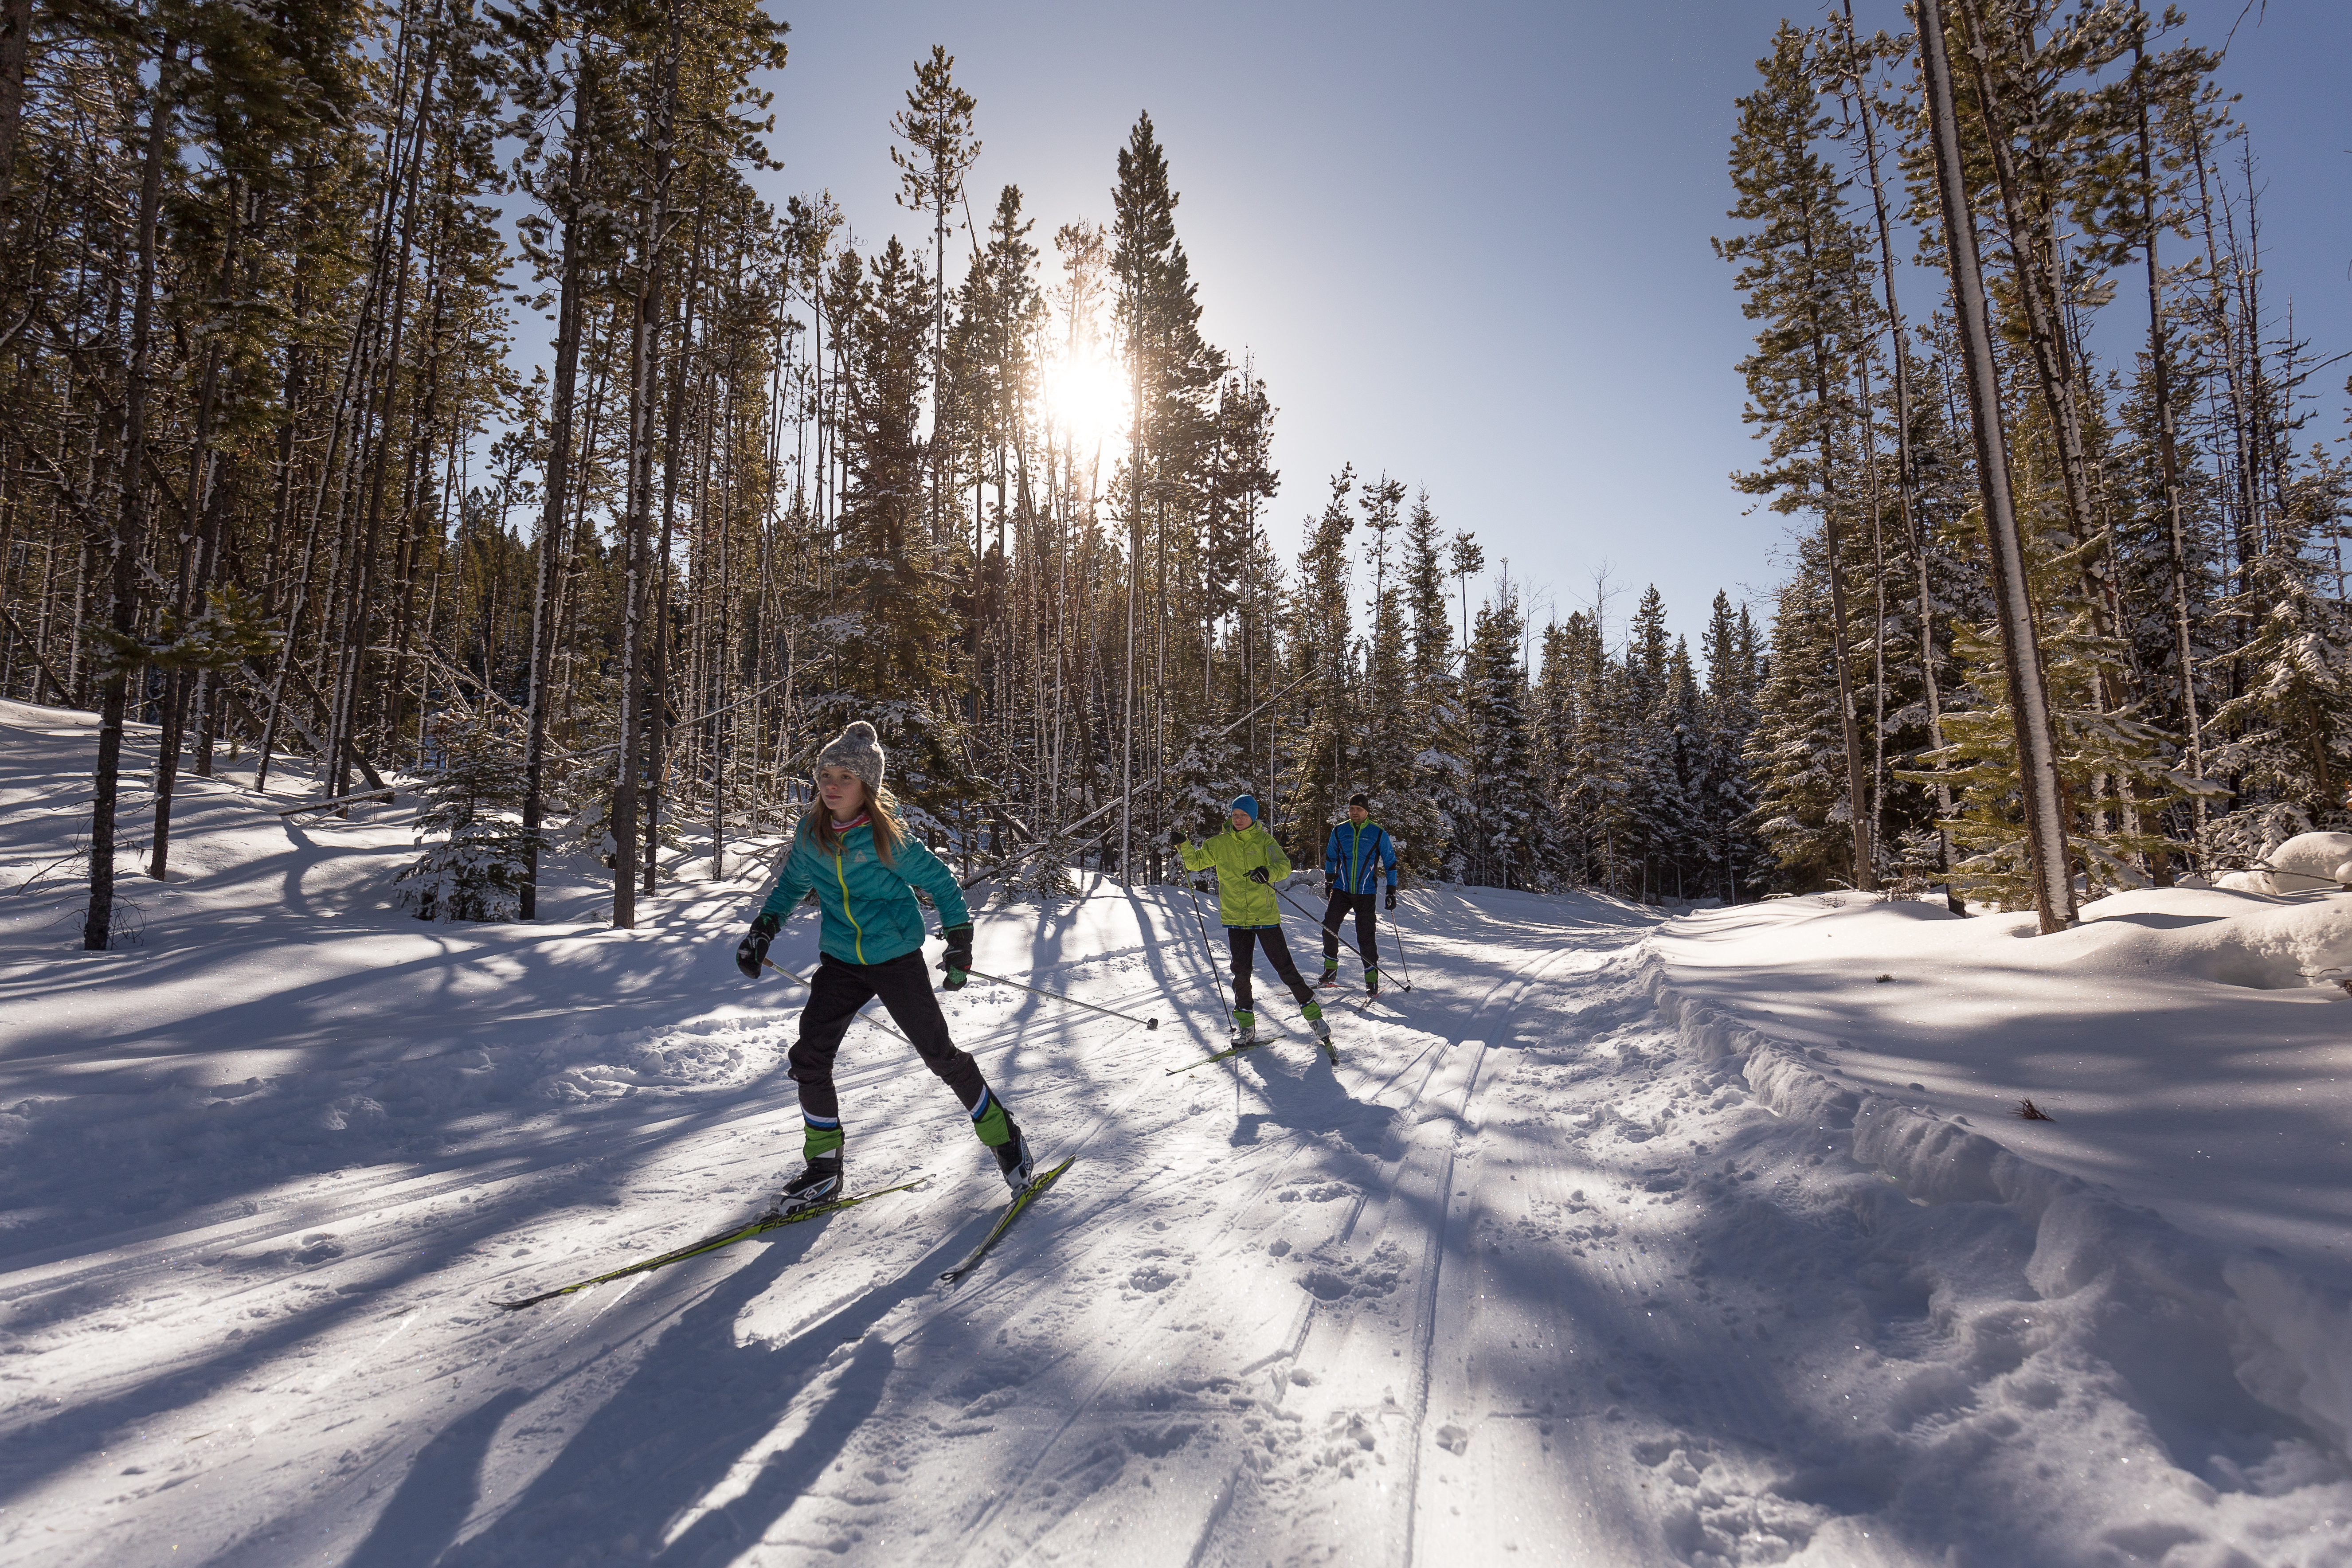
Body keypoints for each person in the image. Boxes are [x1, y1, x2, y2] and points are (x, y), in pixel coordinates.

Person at [734, 720, 1033, 1213]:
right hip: (841, 960)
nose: (831, 785)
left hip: (895, 959)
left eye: (844, 778)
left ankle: (1007, 1141)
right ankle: (824, 1170)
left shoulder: (887, 838)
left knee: (940, 1056)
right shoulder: (811, 834)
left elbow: (941, 884)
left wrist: (960, 939)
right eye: (825, 774)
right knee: (809, 1057)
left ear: (867, 786)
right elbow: (790, 886)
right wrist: (763, 929)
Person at [1175, 794, 1331, 1048]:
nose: (1238, 819)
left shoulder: (1265, 842)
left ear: (1253, 817)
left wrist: (1268, 871)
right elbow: (1196, 863)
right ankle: (1246, 1026)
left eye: (1243, 815)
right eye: (1235, 814)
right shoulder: (1219, 843)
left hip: (1265, 916)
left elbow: (1285, 866)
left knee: (1285, 968)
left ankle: (1315, 1017)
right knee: (1241, 972)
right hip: (1235, 917)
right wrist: (1184, 845)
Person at [1320, 793, 1399, 995]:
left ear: (1367, 812)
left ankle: (1371, 980)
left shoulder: (1378, 833)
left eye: (1359, 809)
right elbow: (1331, 856)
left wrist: (1391, 891)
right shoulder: (1339, 831)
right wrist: (1329, 880)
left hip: (1366, 892)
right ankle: (1330, 970)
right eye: (1352, 809)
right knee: (1329, 927)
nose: (1354, 812)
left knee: (1366, 936)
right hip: (1342, 889)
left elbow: (1390, 863)